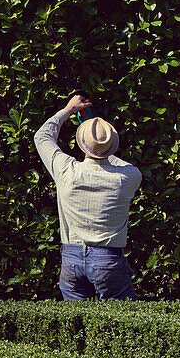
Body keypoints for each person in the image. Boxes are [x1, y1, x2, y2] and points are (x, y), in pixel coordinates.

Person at [34, 93, 142, 301]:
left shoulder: (66, 171)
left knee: (76, 326)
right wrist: (102, 146)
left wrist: (68, 110)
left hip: (71, 258)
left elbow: (42, 137)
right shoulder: (128, 177)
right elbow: (118, 164)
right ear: (112, 146)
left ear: (82, 145)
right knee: (121, 323)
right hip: (108, 259)